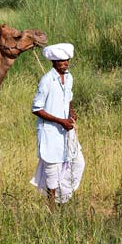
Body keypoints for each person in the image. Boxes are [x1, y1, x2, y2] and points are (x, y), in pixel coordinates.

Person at [30, 43, 85, 205]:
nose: (65, 63)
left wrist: (71, 112)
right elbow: (36, 109)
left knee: (77, 163)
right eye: (61, 61)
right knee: (52, 170)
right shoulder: (46, 81)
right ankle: (52, 207)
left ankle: (63, 198)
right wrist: (60, 121)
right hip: (50, 132)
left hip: (67, 130)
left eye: (67, 60)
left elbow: (68, 98)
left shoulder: (69, 77)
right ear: (53, 62)